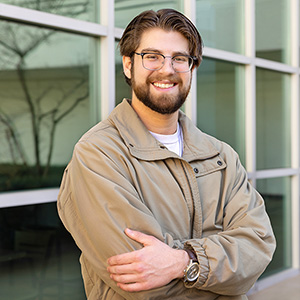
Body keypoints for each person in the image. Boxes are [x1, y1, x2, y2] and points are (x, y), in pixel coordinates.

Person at [57, 8, 276, 300]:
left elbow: (258, 246)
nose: (167, 69)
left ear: (191, 68)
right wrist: (226, 276)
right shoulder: (99, 154)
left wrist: (183, 262)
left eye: (179, 58)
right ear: (127, 64)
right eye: (152, 56)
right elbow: (141, 281)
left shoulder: (221, 156)